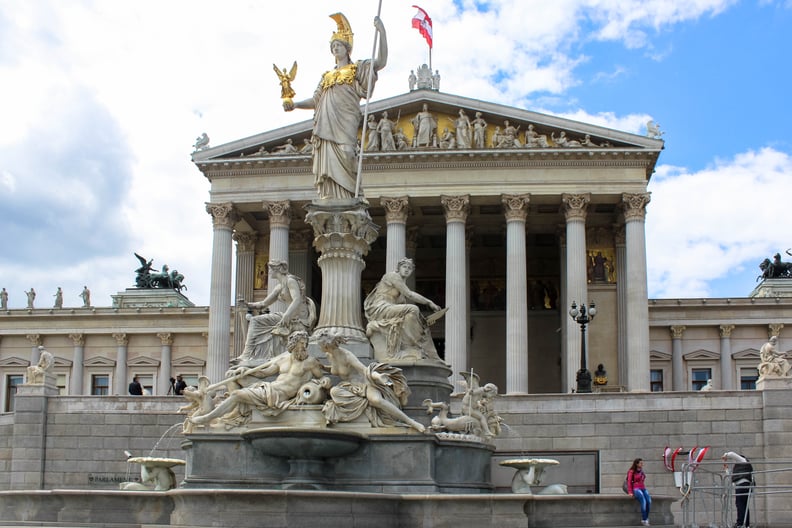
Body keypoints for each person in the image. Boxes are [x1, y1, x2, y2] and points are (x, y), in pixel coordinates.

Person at [283, 13, 388, 200]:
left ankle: (349, 200)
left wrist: (382, 33)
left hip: (345, 121)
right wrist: (295, 104)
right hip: (326, 126)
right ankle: (332, 200)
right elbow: (316, 101)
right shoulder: (326, 77)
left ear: (347, 49)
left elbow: (380, 62)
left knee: (348, 154)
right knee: (328, 165)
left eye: (338, 45)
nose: (335, 49)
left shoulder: (357, 69)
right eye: (333, 47)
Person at [190, 331, 327, 427]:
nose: (304, 347)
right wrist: (246, 370)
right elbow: (264, 373)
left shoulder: (310, 362)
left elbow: (322, 378)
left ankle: (208, 417)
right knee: (232, 375)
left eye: (305, 343)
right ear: (293, 344)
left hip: (278, 396)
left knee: (237, 394)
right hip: (269, 388)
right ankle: (236, 412)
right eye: (301, 343)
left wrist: (325, 382)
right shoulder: (282, 359)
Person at [316, 332, 425, 432]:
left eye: (319, 346)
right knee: (334, 391)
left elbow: (364, 370)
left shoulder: (347, 356)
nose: (319, 348)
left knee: (376, 400)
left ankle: (411, 422)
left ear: (325, 346)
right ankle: (362, 406)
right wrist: (323, 367)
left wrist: (378, 376)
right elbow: (335, 370)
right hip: (349, 386)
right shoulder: (329, 356)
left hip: (363, 383)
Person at [234, 261, 316, 366]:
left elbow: (297, 299)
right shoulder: (279, 287)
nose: (268, 272)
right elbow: (263, 304)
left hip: (298, 320)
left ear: (277, 269)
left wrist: (287, 315)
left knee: (256, 321)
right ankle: (249, 354)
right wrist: (247, 304)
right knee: (255, 321)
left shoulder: (290, 281)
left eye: (270, 269)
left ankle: (247, 354)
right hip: (287, 317)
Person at [364, 258, 443, 361]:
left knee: (419, 322)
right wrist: (429, 302)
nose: (407, 270)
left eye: (409, 268)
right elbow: (409, 294)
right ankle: (411, 344)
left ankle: (419, 349)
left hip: (390, 309)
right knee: (413, 309)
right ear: (398, 268)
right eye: (404, 267)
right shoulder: (393, 276)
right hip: (381, 308)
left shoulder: (401, 290)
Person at [722, 452, 754, 528]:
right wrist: (726, 469)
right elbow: (731, 477)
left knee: (740, 504)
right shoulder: (740, 468)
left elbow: (732, 454)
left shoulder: (743, 460)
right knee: (743, 505)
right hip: (742, 485)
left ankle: (740, 523)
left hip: (743, 485)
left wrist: (726, 455)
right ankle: (745, 524)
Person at [627, 457, 651, 526]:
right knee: (643, 501)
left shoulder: (641, 471)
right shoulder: (631, 471)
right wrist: (630, 492)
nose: (642, 464)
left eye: (642, 463)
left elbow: (643, 478)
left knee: (649, 501)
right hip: (636, 488)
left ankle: (646, 518)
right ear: (637, 464)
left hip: (643, 487)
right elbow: (629, 482)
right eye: (641, 463)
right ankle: (644, 519)